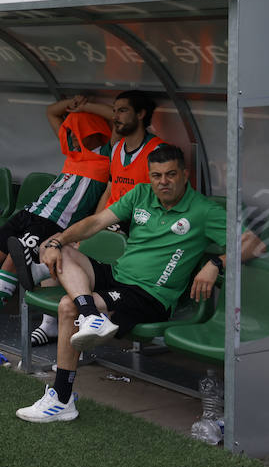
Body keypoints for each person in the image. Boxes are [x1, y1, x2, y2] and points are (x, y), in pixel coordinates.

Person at [16, 143, 252, 422]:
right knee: (66, 251)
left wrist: (215, 263)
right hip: (118, 275)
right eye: (156, 176)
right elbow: (95, 222)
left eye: (170, 174)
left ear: (184, 175)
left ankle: (62, 396)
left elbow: (250, 242)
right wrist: (56, 241)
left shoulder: (203, 210)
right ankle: (89, 315)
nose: (163, 182)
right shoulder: (141, 194)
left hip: (150, 293)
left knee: (69, 306)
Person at [0, 98, 112, 332]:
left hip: (53, 223)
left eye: (79, 130)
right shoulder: (73, 151)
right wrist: (73, 103)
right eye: (71, 131)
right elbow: (51, 112)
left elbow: (115, 115)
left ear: (94, 131)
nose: (72, 135)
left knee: (12, 263)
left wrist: (86, 108)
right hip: (29, 213)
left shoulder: (108, 153)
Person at [17, 91, 164, 346]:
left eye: (122, 111)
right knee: (52, 243)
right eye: (114, 110)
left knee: (62, 250)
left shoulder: (157, 150)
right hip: (112, 220)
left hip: (137, 226)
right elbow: (110, 189)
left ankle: (46, 282)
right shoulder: (117, 148)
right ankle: (50, 323)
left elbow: (163, 201)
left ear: (140, 114)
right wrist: (95, 223)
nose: (115, 117)